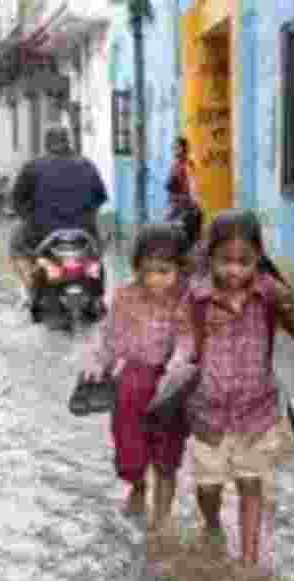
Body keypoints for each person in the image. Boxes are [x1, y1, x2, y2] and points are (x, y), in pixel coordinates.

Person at [180, 209, 294, 570]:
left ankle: (248, 560)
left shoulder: (270, 294)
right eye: (225, 261)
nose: (235, 271)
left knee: (251, 484)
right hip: (206, 412)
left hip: (256, 412)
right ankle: (213, 524)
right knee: (209, 488)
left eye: (244, 262)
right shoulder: (196, 298)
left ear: (258, 257)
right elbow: (181, 344)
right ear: (209, 257)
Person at [81, 223, 194, 531]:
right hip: (132, 382)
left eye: (165, 270)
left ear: (182, 269)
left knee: (167, 453)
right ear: (137, 268)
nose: (157, 279)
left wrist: (175, 372)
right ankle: (138, 487)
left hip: (171, 386)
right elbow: (109, 336)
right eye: (149, 271)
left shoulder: (187, 301)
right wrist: (98, 362)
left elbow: (187, 341)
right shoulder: (125, 297)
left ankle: (161, 520)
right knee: (129, 444)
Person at [10, 126, 109, 305]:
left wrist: (30, 217)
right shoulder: (87, 164)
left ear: (46, 143)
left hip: (41, 233)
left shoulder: (32, 167)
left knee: (16, 246)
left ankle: (30, 289)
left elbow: (17, 203)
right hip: (84, 232)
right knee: (99, 247)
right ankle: (99, 296)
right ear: (68, 141)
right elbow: (100, 198)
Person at [166, 137, 202, 248]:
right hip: (178, 207)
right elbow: (170, 185)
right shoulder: (175, 166)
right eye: (174, 148)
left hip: (185, 208)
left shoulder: (187, 165)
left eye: (177, 147)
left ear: (184, 149)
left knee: (188, 237)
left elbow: (192, 185)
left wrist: (192, 202)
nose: (175, 150)